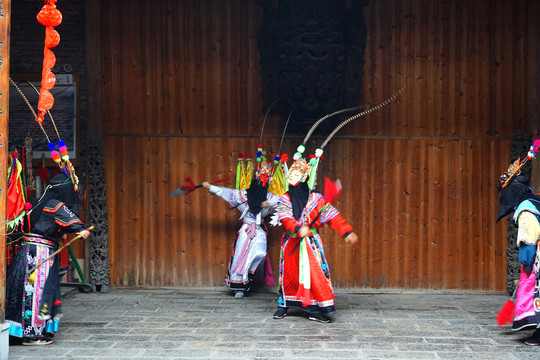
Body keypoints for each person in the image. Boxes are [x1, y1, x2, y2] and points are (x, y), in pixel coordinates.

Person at [5, 171, 90, 346]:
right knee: (37, 292)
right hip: (40, 254)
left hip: (25, 252)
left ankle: (20, 332)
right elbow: (68, 218)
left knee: (23, 291)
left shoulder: (36, 203)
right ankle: (34, 334)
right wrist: (80, 228)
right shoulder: (54, 204)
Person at [273, 157, 358, 323]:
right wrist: (297, 228)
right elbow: (284, 216)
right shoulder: (284, 198)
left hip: (311, 244)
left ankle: (314, 308)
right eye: (290, 175)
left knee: (315, 275)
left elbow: (332, 216)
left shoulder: (316, 199)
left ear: (304, 177)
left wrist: (346, 232)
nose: (291, 178)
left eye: (296, 175)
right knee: (289, 275)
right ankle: (283, 305)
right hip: (291, 242)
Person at [203, 161, 279, 298]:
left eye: (264, 180)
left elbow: (284, 200)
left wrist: (268, 203)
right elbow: (225, 192)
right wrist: (211, 187)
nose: (261, 184)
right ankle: (239, 286)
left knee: (260, 253)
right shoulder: (243, 195)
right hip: (246, 229)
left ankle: (248, 276)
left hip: (259, 230)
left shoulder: (269, 197)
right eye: (260, 180)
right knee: (240, 255)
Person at [496, 156, 540, 346]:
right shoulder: (535, 201)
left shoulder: (526, 210)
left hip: (536, 257)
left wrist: (527, 261)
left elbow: (529, 237)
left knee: (535, 293)